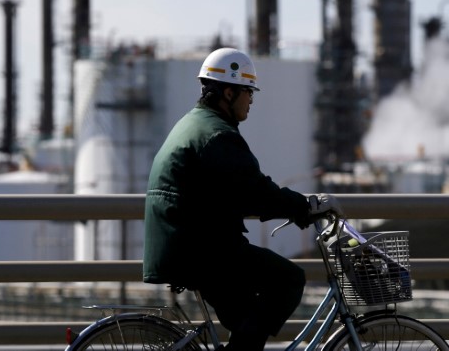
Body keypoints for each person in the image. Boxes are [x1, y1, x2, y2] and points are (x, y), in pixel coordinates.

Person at [143, 47, 342, 351]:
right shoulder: (217, 136)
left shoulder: (196, 124)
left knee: (248, 316)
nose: (251, 99)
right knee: (289, 279)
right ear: (227, 93)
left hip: (186, 242)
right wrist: (305, 207)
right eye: (248, 91)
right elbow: (255, 192)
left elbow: (240, 191)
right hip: (201, 248)